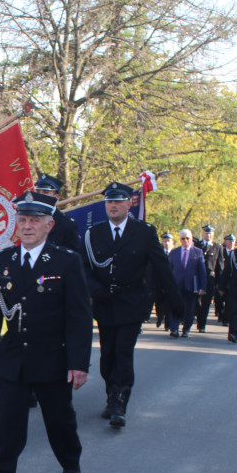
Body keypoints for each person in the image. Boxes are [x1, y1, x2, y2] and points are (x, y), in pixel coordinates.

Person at [0, 192, 92, 473]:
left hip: (52, 357)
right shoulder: (2, 260)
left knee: (59, 420)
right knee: (7, 424)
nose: (27, 226)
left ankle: (70, 461)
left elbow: (79, 317)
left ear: (49, 225)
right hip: (12, 357)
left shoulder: (66, 261)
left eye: (35, 221)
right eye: (23, 220)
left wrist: (79, 363)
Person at [82, 182, 180, 427]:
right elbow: (84, 268)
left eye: (118, 202)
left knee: (123, 353)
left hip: (131, 302)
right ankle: (110, 394)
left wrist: (175, 301)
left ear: (128, 204)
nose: (113, 206)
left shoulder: (144, 232)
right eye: (109, 202)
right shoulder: (94, 233)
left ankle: (119, 402)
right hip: (104, 303)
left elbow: (161, 267)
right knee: (107, 355)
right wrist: (95, 290)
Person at [167, 229, 206, 338]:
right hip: (177, 285)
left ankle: (186, 329)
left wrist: (203, 286)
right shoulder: (174, 252)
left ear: (191, 239)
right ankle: (174, 328)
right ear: (180, 239)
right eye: (183, 238)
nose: (185, 241)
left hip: (191, 285)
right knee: (175, 306)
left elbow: (202, 271)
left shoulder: (197, 252)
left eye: (187, 238)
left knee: (189, 309)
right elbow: (169, 270)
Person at [33, 173, 83, 254]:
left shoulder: (67, 224)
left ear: (56, 196)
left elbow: (74, 258)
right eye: (38, 192)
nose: (40, 196)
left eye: (45, 192)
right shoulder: (28, 220)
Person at [193, 224, 222, 333]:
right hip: (197, 277)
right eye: (206, 233)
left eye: (210, 233)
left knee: (206, 303)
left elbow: (220, 266)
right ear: (203, 233)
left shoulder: (217, 247)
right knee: (196, 301)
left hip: (210, 279)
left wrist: (219, 282)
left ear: (213, 234)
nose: (208, 235)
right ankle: (196, 318)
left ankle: (202, 324)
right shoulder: (197, 245)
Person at [152, 232, 174, 328]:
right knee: (159, 301)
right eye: (165, 241)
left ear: (172, 242)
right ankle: (160, 316)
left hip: (170, 282)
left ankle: (168, 323)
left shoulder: (175, 253)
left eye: (168, 241)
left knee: (169, 302)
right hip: (159, 281)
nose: (166, 243)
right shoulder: (158, 252)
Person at [217, 233, 236, 324]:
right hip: (221, 279)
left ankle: (226, 318)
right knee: (219, 299)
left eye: (233, 241)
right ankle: (220, 314)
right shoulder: (222, 251)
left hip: (231, 281)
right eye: (230, 241)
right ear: (226, 242)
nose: (232, 243)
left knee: (229, 300)